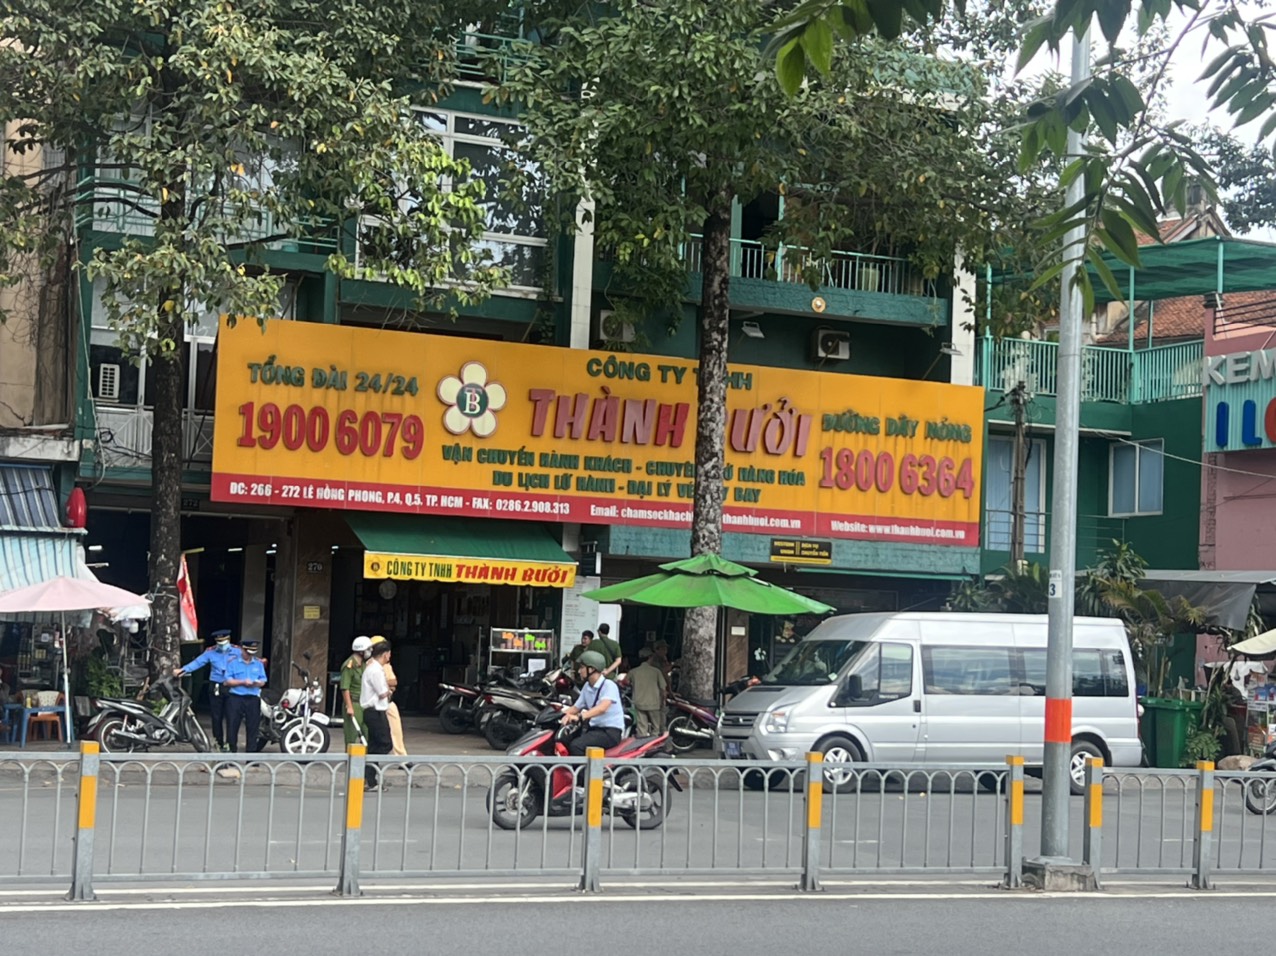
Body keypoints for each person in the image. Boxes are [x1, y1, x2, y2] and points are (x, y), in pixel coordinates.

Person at [174, 628, 237, 751]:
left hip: (233, 687)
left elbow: (248, 660)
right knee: (216, 717)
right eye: (219, 642)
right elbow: (198, 662)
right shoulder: (210, 652)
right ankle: (218, 744)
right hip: (216, 686)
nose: (221, 644)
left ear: (229, 640)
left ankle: (231, 745)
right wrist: (183, 670)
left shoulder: (237, 651)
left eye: (223, 641)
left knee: (232, 717)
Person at [560, 649, 626, 755]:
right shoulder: (587, 686)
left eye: (582, 667)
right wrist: (560, 714)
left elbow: (602, 708)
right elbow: (576, 707)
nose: (579, 671)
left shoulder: (609, 685)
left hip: (610, 732)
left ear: (591, 669)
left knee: (576, 746)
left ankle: (584, 767)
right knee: (565, 740)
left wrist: (580, 716)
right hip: (594, 730)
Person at [360, 639, 394, 792]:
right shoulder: (375, 670)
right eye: (389, 653)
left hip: (374, 711)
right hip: (375, 711)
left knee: (374, 745)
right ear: (385, 654)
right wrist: (389, 691)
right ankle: (369, 771)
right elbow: (382, 692)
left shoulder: (373, 668)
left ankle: (370, 780)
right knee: (385, 743)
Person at [223, 639, 267, 753]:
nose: (250, 655)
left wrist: (257, 683)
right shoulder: (233, 663)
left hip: (253, 698)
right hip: (236, 698)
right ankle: (231, 753)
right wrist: (242, 682)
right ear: (242, 649)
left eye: (252, 652)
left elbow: (263, 680)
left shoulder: (258, 663)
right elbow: (227, 681)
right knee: (232, 726)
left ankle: (251, 755)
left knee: (253, 728)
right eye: (248, 652)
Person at [370, 635, 406, 756]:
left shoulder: (386, 665)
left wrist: (383, 682)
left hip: (388, 702)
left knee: (396, 730)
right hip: (374, 704)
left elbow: (394, 682)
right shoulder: (369, 665)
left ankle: (401, 757)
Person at [341, 636, 372, 748]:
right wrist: (349, 706)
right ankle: (350, 757)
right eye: (368, 649)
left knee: (367, 734)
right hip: (354, 703)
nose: (370, 651)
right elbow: (345, 688)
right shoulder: (349, 665)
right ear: (361, 651)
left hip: (364, 704)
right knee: (351, 736)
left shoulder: (364, 664)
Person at [627, 655, 667, 737]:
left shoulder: (633, 671)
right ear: (650, 658)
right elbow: (663, 688)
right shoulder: (656, 671)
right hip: (654, 703)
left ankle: (643, 742)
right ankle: (654, 740)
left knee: (641, 728)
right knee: (656, 728)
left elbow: (625, 682)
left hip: (639, 703)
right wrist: (663, 700)